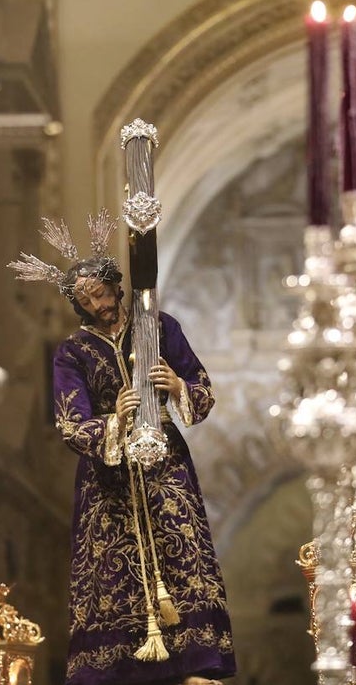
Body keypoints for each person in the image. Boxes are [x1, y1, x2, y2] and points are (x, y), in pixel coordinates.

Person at [49, 256, 236, 685]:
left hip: (166, 466)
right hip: (107, 480)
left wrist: (177, 387)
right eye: (87, 299)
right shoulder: (72, 352)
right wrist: (114, 419)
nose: (98, 304)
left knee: (182, 552)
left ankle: (195, 665)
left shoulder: (159, 327)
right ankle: (118, 669)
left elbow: (201, 387)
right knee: (112, 569)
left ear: (117, 287)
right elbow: (70, 425)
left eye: (101, 293)